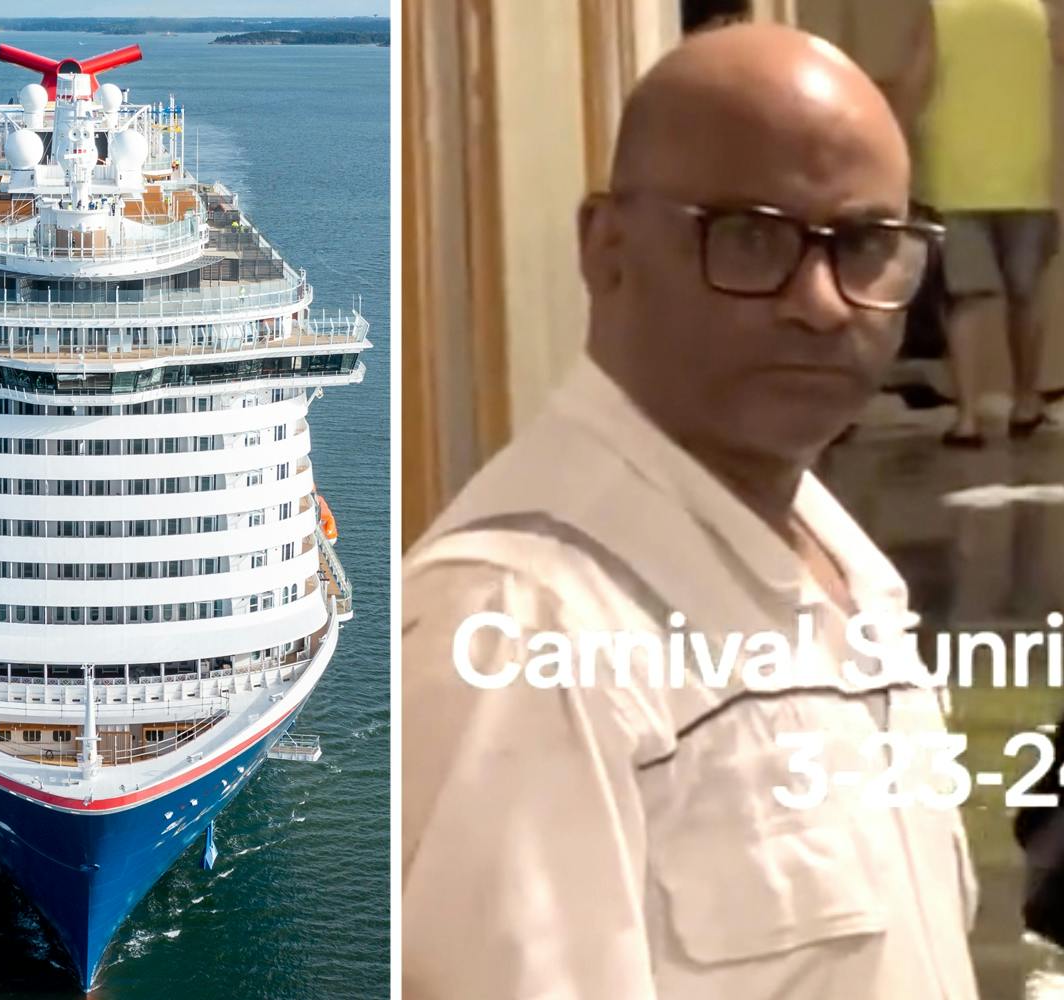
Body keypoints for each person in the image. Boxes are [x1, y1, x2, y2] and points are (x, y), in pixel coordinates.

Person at [400, 25, 978, 999]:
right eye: (750, 235)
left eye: (867, 246)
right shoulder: (518, 629)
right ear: (606, 247)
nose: (821, 302)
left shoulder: (847, 569)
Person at [889, 0, 1063, 446]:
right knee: (1025, 295)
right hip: (1026, 172)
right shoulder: (1037, 10)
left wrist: (890, 147)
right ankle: (1026, 400)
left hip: (956, 174)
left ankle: (966, 417)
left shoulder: (942, 8)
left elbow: (913, 83)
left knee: (963, 297)